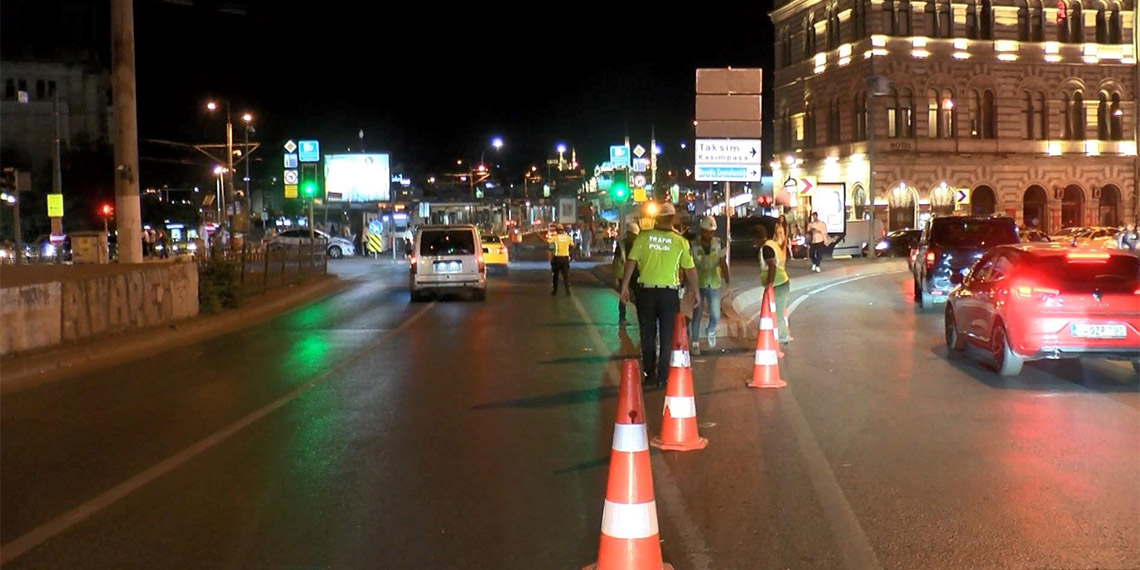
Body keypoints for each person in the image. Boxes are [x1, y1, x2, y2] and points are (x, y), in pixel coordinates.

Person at [620, 203, 699, 388]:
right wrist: (696, 292)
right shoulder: (680, 241)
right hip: (668, 295)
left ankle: (649, 375)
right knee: (666, 337)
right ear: (672, 218)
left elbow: (630, 263)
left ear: (656, 218)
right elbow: (690, 270)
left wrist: (624, 287)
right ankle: (663, 377)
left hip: (646, 293)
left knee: (647, 335)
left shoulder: (643, 237)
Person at [688, 216, 730, 356]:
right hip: (697, 284)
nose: (709, 234)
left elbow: (722, 262)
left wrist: (728, 280)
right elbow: (688, 267)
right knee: (697, 315)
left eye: (711, 232)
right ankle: (694, 343)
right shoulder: (693, 246)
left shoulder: (719, 244)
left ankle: (710, 329)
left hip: (714, 283)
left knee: (715, 314)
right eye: (706, 231)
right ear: (701, 231)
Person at [757, 223, 792, 345]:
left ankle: (782, 337)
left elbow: (772, 267)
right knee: (779, 310)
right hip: (782, 281)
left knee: (777, 312)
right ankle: (780, 336)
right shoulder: (772, 244)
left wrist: (769, 285)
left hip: (778, 284)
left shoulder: (766, 248)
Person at [612, 222, 641, 325]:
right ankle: (622, 319)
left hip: (637, 275)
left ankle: (641, 319)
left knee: (640, 298)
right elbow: (616, 261)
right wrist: (615, 277)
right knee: (623, 297)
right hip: (623, 275)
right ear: (628, 234)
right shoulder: (621, 245)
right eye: (632, 235)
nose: (634, 237)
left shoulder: (639, 244)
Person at [548, 223, 573, 296]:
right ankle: (567, 292)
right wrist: (568, 253)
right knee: (566, 276)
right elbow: (572, 246)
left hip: (557, 258)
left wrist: (551, 259)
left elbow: (551, 248)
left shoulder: (554, 238)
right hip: (565, 258)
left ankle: (554, 291)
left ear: (557, 230)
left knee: (555, 276)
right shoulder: (568, 237)